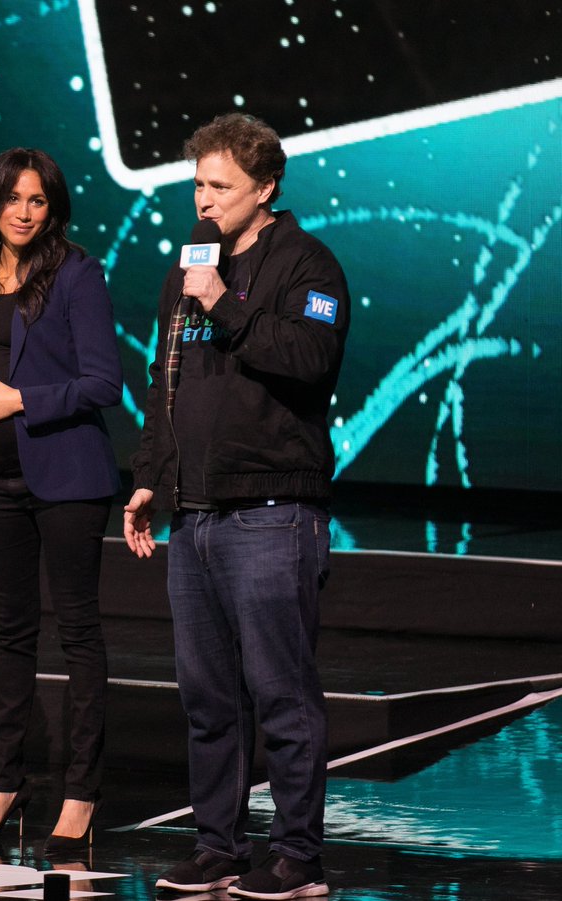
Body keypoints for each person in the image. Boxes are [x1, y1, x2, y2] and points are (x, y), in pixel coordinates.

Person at [123, 113, 349, 899]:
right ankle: (219, 845)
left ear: (266, 188)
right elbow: (167, 378)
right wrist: (153, 471)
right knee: (208, 696)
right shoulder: (189, 263)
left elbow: (309, 360)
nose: (204, 199)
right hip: (196, 514)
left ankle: (298, 858)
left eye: (220, 186)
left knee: (281, 692)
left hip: (273, 511)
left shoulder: (308, 266)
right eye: (198, 184)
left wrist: (223, 301)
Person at [0, 148, 122, 850]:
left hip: (68, 479)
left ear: (53, 208)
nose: (23, 211)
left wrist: (24, 399)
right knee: (9, 633)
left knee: (77, 634)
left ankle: (80, 794)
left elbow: (105, 382)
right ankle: (5, 781)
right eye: (12, 198)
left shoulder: (76, 274)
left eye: (37, 200)